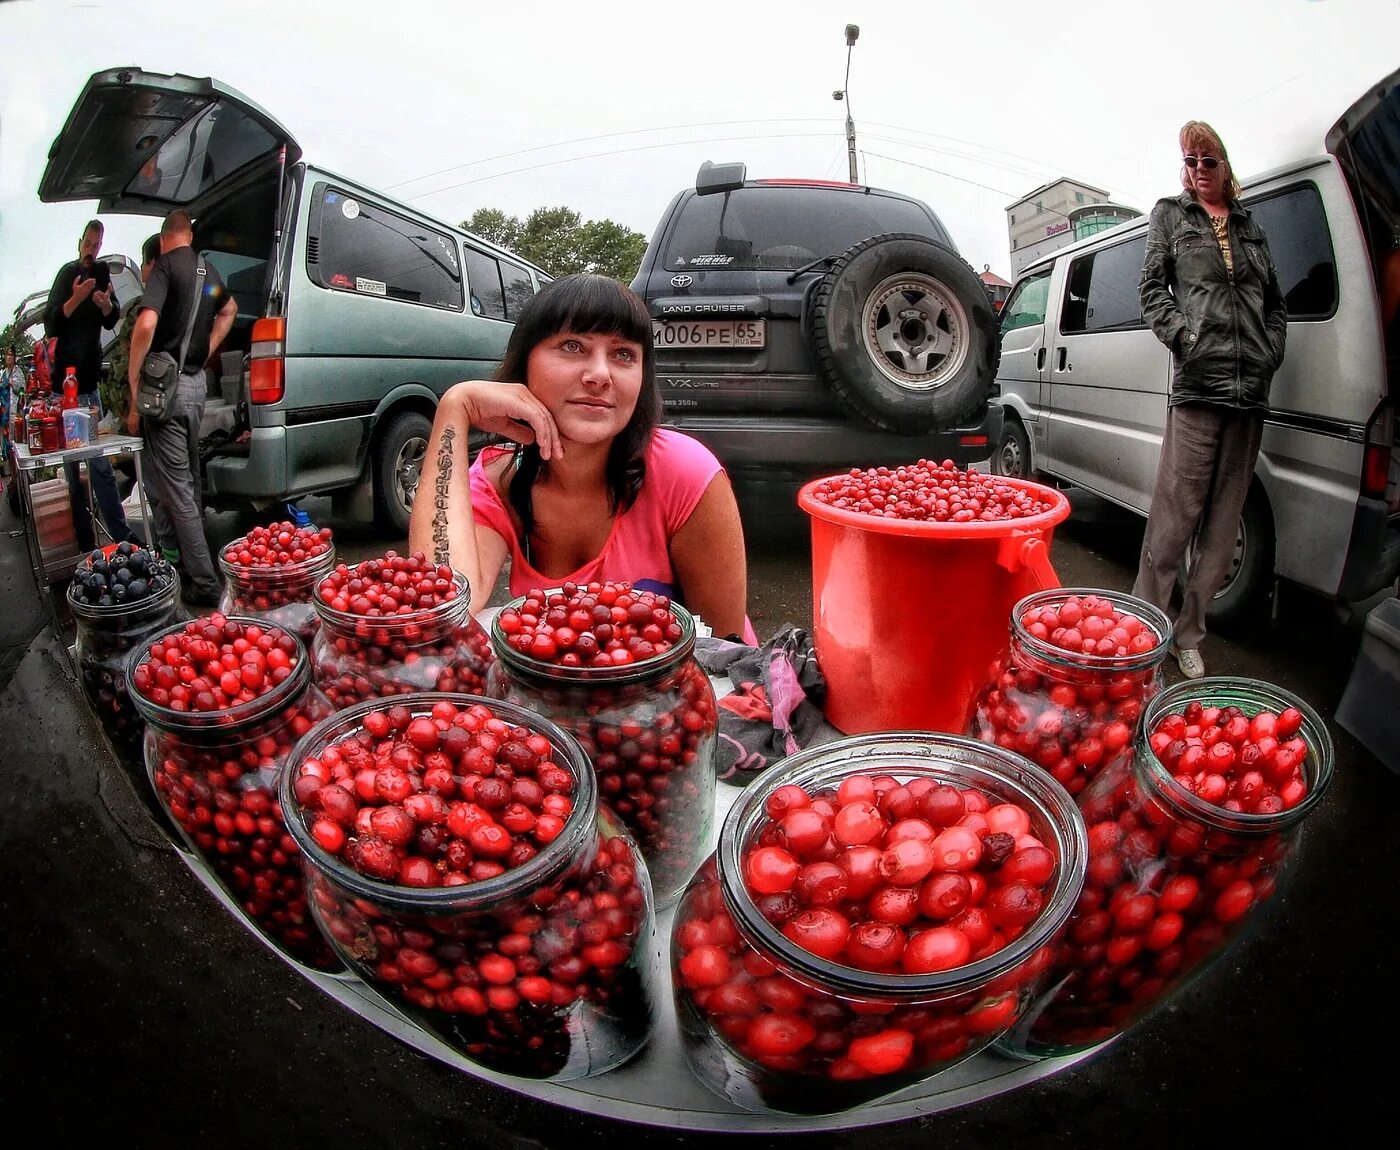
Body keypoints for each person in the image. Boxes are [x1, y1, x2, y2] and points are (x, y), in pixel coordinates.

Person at [408, 273, 753, 643]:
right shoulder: (499, 480)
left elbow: (727, 650)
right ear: (525, 362)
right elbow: (441, 609)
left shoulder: (684, 472)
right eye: (573, 346)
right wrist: (454, 410)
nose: (600, 375)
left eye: (623, 354)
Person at [1134, 121, 1287, 679]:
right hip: (1199, 387)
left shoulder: (1251, 227)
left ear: (1225, 165)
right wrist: (1185, 338)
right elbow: (1151, 292)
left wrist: (1270, 351)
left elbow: (1275, 303)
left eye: (1208, 160)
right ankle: (1149, 631)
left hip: (1250, 394)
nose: (1199, 169)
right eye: (1190, 160)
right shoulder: (1170, 217)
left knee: (1223, 531)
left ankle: (1188, 635)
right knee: (1174, 521)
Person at [125, 209, 237, 609]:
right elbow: (229, 310)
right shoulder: (209, 273)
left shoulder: (166, 268)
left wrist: (134, 381)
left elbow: (144, 325)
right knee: (188, 482)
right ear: (190, 233)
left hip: (164, 393)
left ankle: (205, 584)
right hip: (194, 388)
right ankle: (189, 566)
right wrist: (206, 346)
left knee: (178, 493)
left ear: (162, 239)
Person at [43, 219, 142, 549]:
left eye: (97, 245)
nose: (92, 249)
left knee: (99, 465)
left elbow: (112, 317)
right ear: (79, 241)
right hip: (65, 388)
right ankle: (85, 540)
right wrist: (76, 298)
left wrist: (102, 303)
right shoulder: (67, 273)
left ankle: (120, 535)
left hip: (88, 385)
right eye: (89, 243)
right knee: (74, 470)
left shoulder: (101, 271)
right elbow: (51, 323)